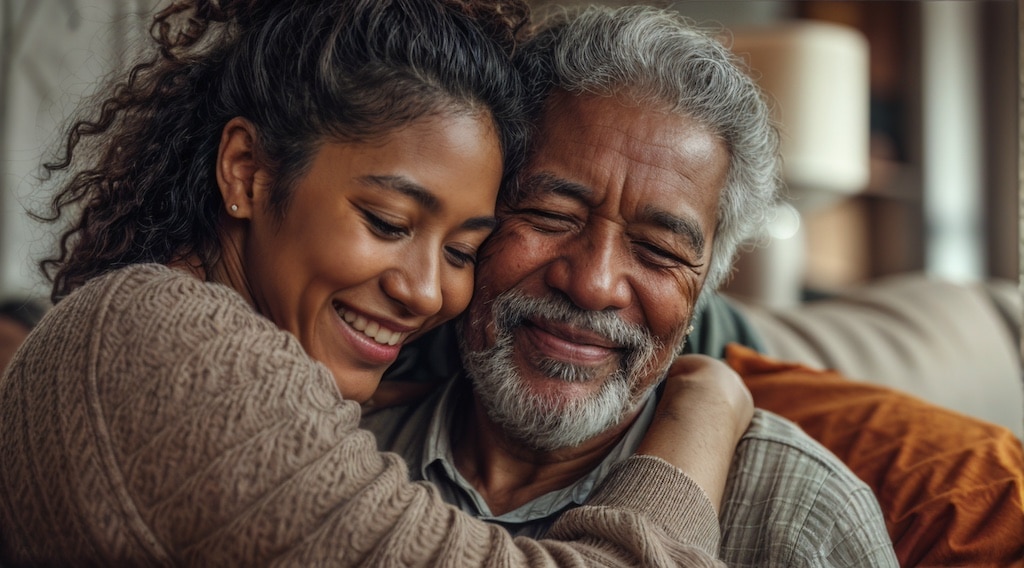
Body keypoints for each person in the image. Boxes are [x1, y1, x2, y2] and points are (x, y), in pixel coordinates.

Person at [0, 0, 755, 566]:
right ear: (246, 172)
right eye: (389, 222)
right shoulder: (166, 348)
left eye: (463, 251)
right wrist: (705, 404)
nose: (426, 293)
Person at [365, 5, 900, 567]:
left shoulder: (802, 517)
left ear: (705, 290)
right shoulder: (347, 448)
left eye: (658, 251)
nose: (593, 285)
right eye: (551, 215)